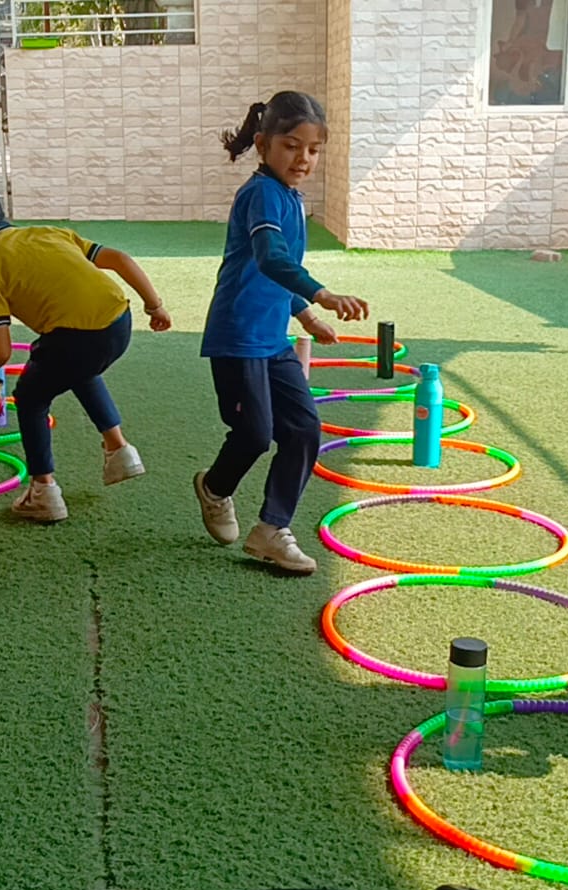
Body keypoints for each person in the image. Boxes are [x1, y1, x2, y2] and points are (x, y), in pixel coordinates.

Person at [193, 91, 369, 575]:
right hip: (237, 337)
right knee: (254, 433)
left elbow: (274, 273)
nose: (303, 159)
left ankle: (272, 528)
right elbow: (270, 258)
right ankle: (214, 488)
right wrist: (320, 294)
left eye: (313, 149)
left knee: (303, 429)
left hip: (273, 340)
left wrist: (305, 317)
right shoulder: (262, 194)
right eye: (292, 146)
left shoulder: (290, 198)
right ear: (263, 144)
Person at [0, 177, 171, 522]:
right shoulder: (49, 233)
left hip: (75, 338)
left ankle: (43, 490)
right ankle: (119, 449)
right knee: (73, 366)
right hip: (120, 322)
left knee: (30, 396)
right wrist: (154, 305)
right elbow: (119, 259)